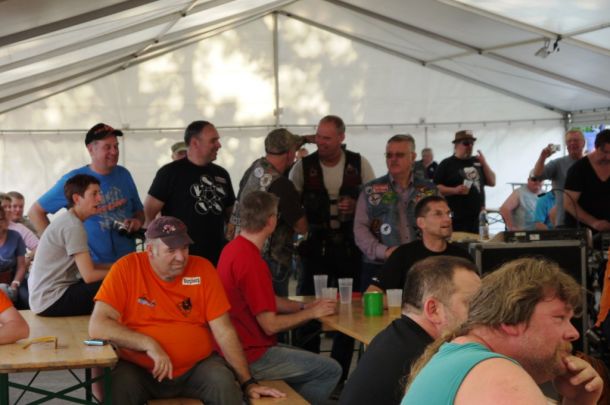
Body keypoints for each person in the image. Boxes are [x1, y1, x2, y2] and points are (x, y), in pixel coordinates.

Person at [88, 216, 283, 404]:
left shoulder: (203, 269)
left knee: (223, 382)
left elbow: (224, 331)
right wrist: (148, 344)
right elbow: (98, 325)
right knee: (119, 386)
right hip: (140, 370)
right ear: (150, 250)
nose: (181, 257)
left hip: (196, 368)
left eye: (185, 248)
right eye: (171, 250)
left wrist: (248, 382)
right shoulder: (126, 268)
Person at [402, 257, 602, 405]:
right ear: (511, 320)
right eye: (559, 318)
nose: (573, 333)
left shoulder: (461, 357)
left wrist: (579, 400)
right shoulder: (498, 377)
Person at [218, 191, 342, 404]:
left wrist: (304, 307)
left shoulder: (232, 249)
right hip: (250, 354)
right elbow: (271, 325)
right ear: (271, 221)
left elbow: (267, 300)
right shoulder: (251, 262)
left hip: (236, 348)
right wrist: (312, 313)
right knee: (330, 369)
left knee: (306, 365)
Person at [288, 114, 375, 384]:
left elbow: (374, 201)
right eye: (318, 136)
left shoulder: (359, 163)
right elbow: (290, 204)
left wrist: (357, 205)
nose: (321, 142)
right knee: (307, 310)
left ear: (341, 137)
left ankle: (338, 378)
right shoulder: (302, 167)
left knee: (348, 312)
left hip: (349, 249)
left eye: (326, 137)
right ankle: (306, 374)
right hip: (315, 249)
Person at [340, 256, 481, 405]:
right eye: (471, 303)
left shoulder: (394, 337)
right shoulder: (426, 360)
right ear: (433, 309)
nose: (480, 312)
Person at [28, 123, 144, 264]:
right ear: (91, 150)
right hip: (91, 267)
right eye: (107, 147)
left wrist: (137, 221)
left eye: (116, 146)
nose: (114, 152)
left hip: (127, 261)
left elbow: (139, 211)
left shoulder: (124, 174)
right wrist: (58, 249)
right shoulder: (75, 180)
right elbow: (35, 212)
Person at [228, 128, 307, 296]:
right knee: (273, 305)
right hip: (273, 259)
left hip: (243, 250)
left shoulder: (255, 168)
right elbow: (302, 227)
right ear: (290, 154)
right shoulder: (282, 185)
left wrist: (307, 139)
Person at [145, 120, 236, 265]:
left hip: (216, 259)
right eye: (213, 141)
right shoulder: (169, 173)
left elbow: (232, 215)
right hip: (181, 258)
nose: (219, 145)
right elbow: (148, 215)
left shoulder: (222, 174)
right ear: (195, 143)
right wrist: (159, 253)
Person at [354, 134, 437, 291]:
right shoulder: (370, 190)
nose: (393, 159)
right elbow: (360, 228)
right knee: (376, 307)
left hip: (423, 266)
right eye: (389, 155)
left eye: (399, 155)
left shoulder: (429, 189)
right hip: (380, 267)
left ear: (413, 157)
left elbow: (441, 224)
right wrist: (384, 251)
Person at [28, 175, 110, 316]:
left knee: (114, 279)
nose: (100, 199)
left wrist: (118, 265)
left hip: (43, 299)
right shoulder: (73, 226)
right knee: (118, 283)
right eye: (94, 194)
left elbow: (89, 267)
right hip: (52, 301)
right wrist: (123, 272)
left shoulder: (69, 221)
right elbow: (89, 275)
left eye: (99, 193)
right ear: (77, 199)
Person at [368, 196, 472, 292]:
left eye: (448, 214)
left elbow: (476, 293)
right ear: (421, 223)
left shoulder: (462, 256)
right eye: (438, 214)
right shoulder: (403, 255)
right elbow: (372, 293)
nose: (447, 219)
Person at [434, 130, 496, 233]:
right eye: (466, 143)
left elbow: (492, 182)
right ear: (456, 145)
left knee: (480, 241)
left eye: (472, 143)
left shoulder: (477, 162)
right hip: (457, 217)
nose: (470, 146)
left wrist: (484, 163)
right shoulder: (446, 164)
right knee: (458, 242)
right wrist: (455, 190)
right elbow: (436, 188)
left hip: (479, 217)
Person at [532, 129, 586, 227]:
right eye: (569, 141)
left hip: (588, 220)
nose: (572, 143)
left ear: (583, 143)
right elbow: (537, 175)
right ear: (566, 145)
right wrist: (543, 157)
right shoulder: (558, 163)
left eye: (576, 140)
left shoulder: (591, 163)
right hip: (564, 221)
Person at [564, 129, 610, 233]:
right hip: (581, 232)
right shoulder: (578, 169)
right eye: (605, 152)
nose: (608, 157)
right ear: (596, 147)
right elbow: (568, 204)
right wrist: (594, 222)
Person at [0, 206, 26, 304]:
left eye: (0, 219)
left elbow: (21, 266)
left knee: (25, 297)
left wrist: (15, 283)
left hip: (12, 280)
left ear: (5, 220)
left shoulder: (15, 236)